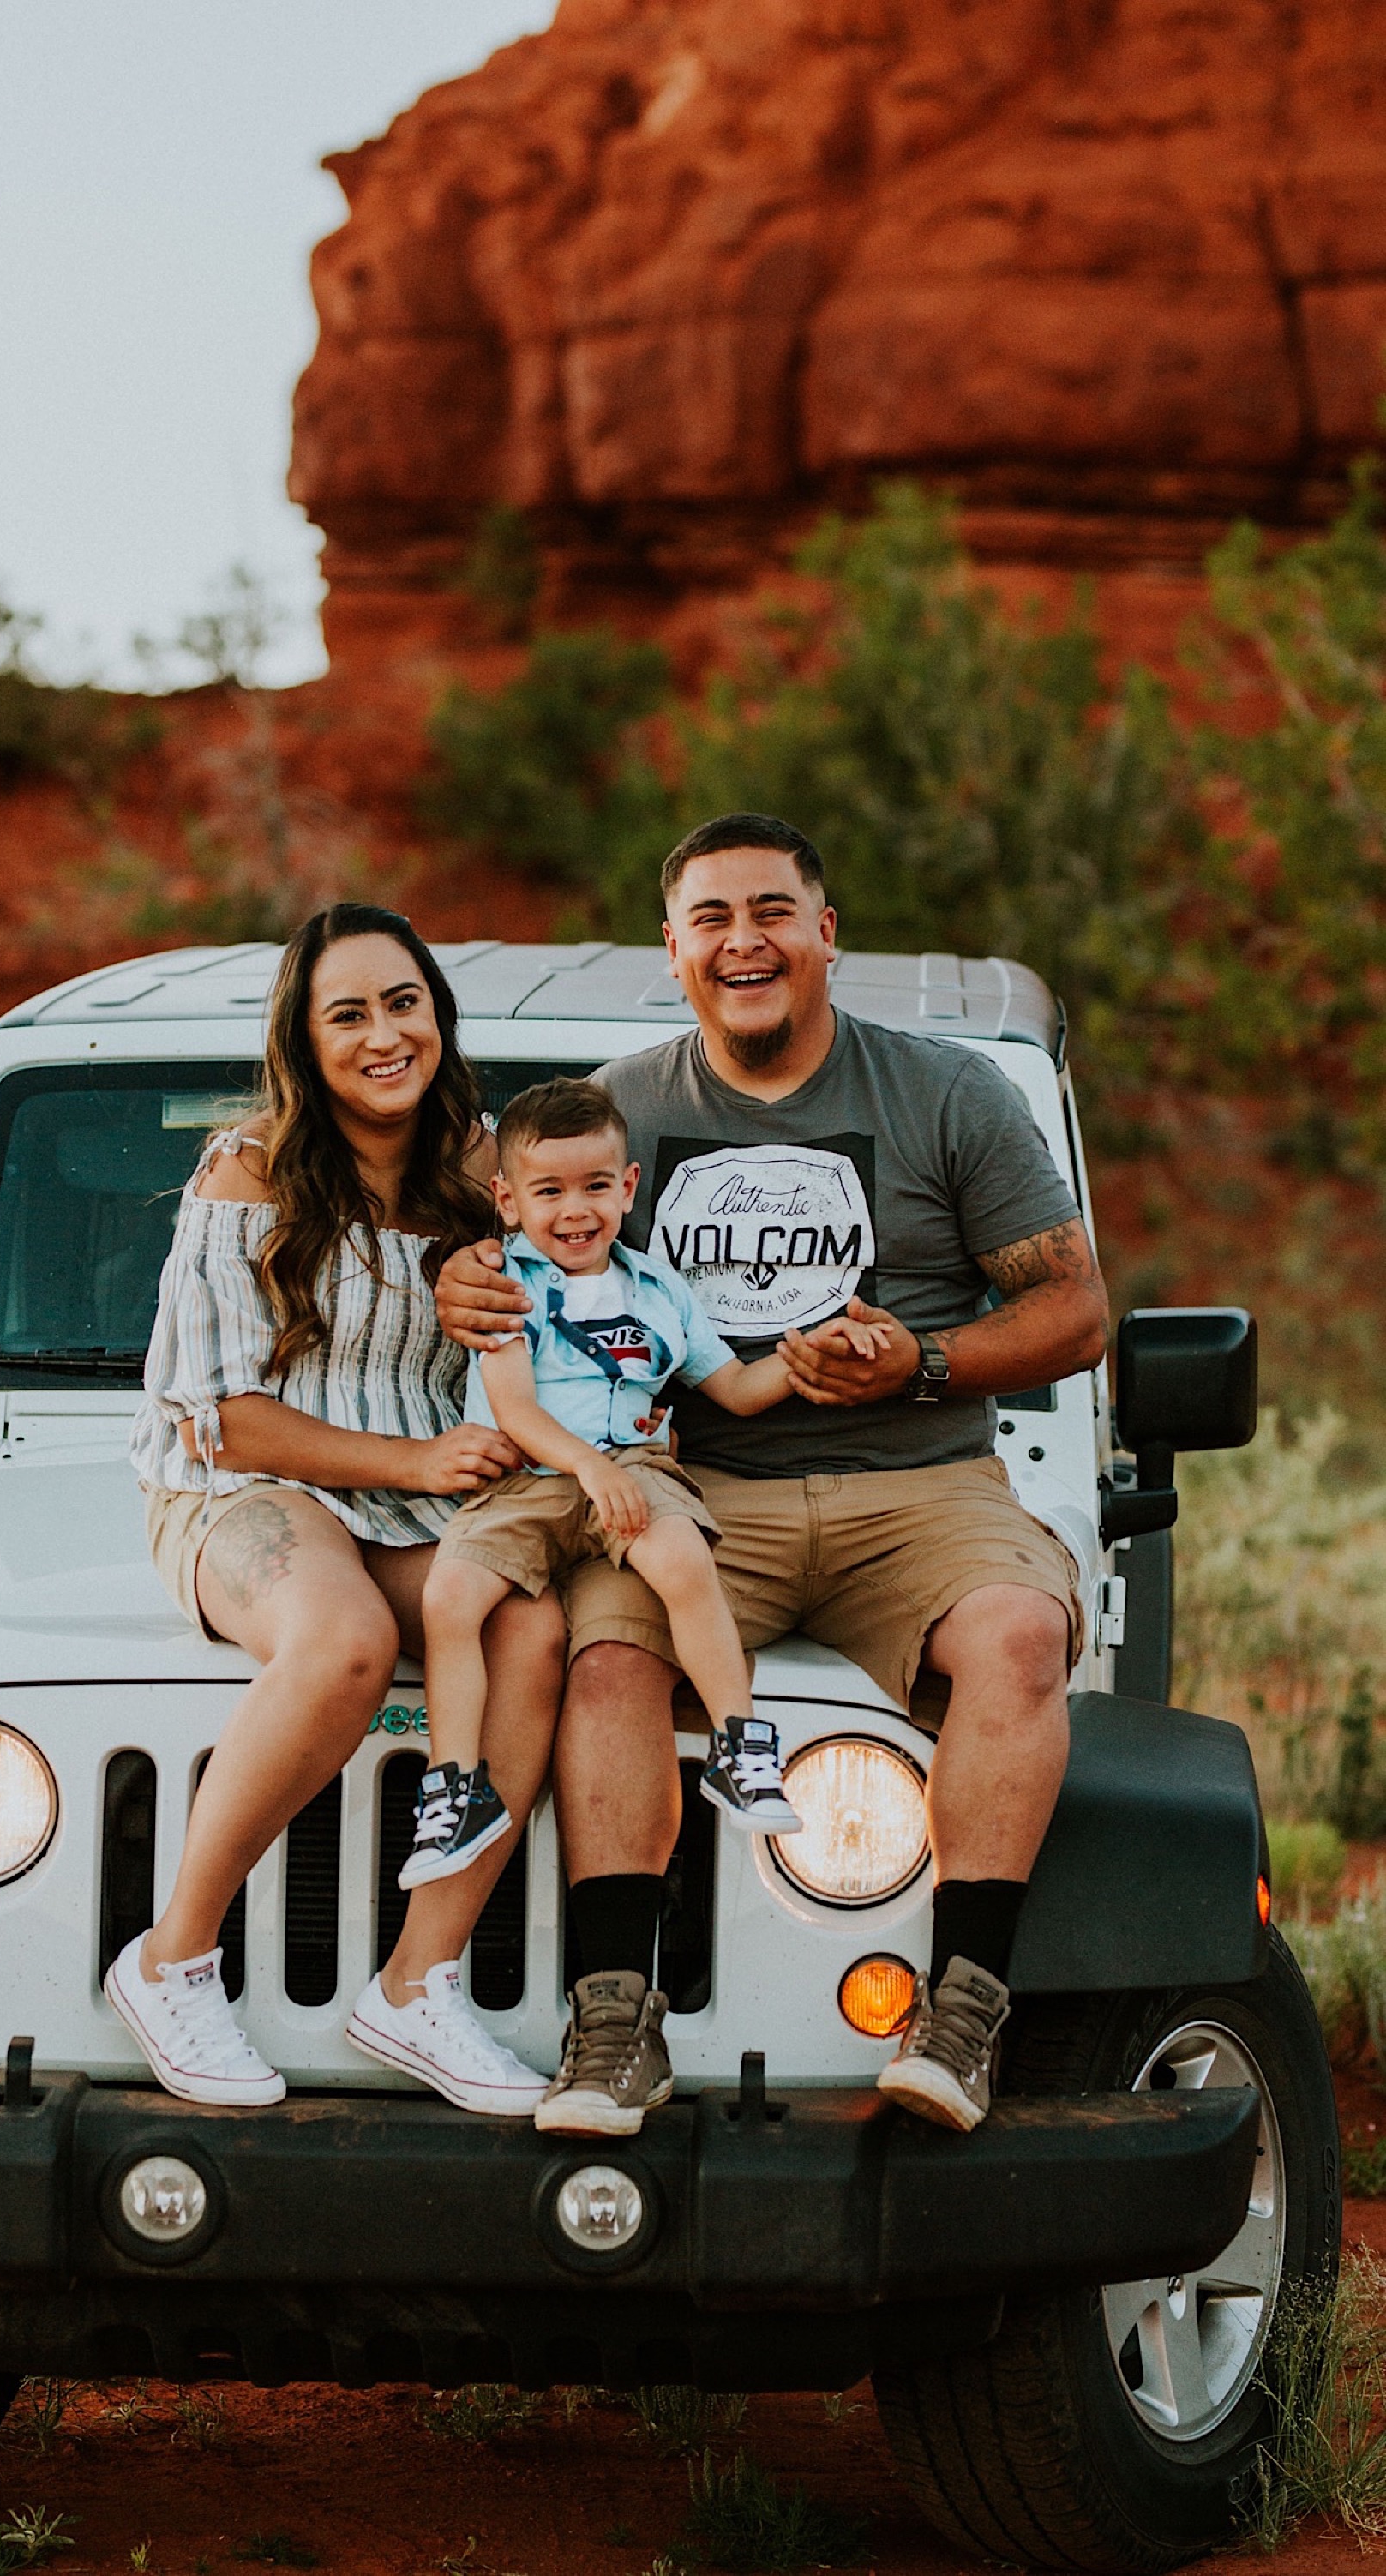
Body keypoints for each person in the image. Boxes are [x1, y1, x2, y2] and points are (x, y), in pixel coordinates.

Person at [437, 814, 1111, 2137]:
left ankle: (963, 2014)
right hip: (694, 1483)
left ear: (824, 934)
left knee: (1025, 1631)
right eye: (711, 919)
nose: (743, 942)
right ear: (675, 949)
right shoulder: (616, 1104)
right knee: (609, 1660)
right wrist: (460, 1272)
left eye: (772, 913)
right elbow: (474, 1220)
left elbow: (1076, 1313)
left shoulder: (947, 1093)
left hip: (920, 1479)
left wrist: (919, 1359)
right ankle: (614, 2023)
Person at [117, 901, 565, 2117]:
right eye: (348, 1013)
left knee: (531, 1625)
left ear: (438, 1015)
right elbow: (228, 1414)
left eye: (403, 1003)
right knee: (346, 1641)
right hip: (244, 1485)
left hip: (410, 1499)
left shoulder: (478, 1172)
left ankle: (418, 1983)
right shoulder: (250, 1166)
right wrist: (419, 1464)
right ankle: (171, 1960)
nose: (383, 1034)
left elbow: (587, 1255)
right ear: (304, 1041)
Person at [407, 1078, 872, 1903]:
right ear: (508, 1201)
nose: (574, 1210)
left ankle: (740, 1748)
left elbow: (730, 1384)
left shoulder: (660, 1289)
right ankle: (455, 1788)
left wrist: (807, 1354)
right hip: (528, 1480)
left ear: (627, 1188)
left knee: (684, 1559)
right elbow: (512, 1409)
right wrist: (590, 1467)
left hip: (633, 1468)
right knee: (449, 1598)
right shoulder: (500, 1283)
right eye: (548, 1191)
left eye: (594, 1186)